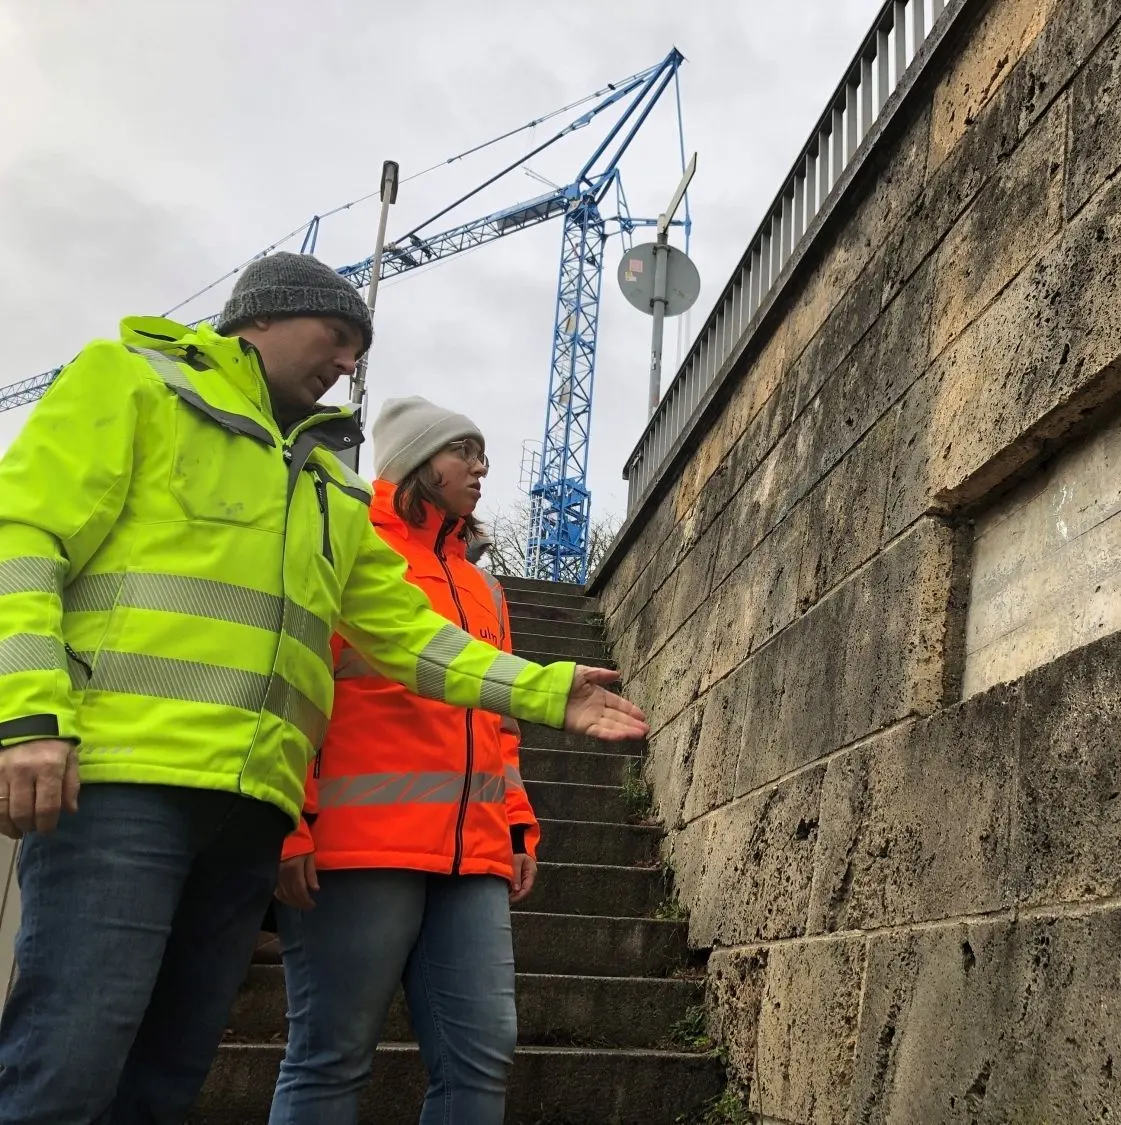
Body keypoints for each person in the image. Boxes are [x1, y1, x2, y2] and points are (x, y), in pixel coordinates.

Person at [0, 253, 647, 1124]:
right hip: (122, 783)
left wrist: (545, 690)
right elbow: (23, 534)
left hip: (248, 812)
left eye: (357, 350)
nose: (348, 364)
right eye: (337, 338)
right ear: (261, 317)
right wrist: (28, 713)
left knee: (169, 1070)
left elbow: (410, 637)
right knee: (67, 1059)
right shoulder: (131, 382)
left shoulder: (327, 483)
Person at [269, 397, 539, 1122]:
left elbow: (498, 720)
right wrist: (290, 820)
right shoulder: (354, 547)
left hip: (472, 856)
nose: (482, 467)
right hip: (357, 848)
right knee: (330, 1055)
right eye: (463, 452)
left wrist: (515, 824)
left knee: (484, 1055)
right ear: (419, 464)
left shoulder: (486, 586)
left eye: (482, 453)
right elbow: (295, 685)